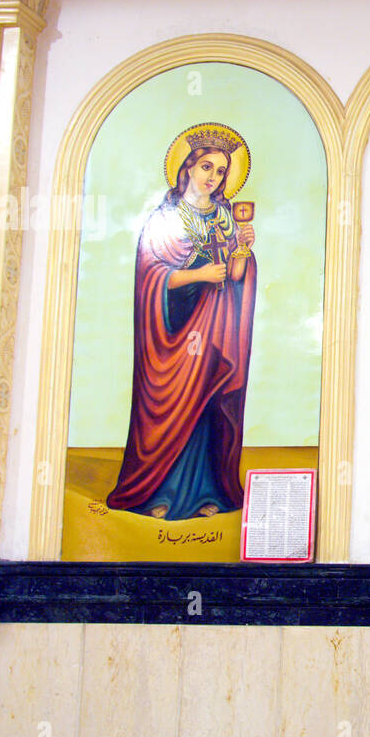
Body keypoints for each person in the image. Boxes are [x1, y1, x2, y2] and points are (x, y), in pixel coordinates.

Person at [107, 123, 257, 520]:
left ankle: (209, 491)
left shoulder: (225, 217)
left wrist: (243, 250)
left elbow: (236, 277)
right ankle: (160, 492)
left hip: (214, 327)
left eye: (221, 171)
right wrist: (200, 275)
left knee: (208, 401)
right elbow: (153, 275)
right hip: (172, 329)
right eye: (206, 167)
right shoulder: (164, 218)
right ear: (188, 167)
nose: (213, 177)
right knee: (175, 403)